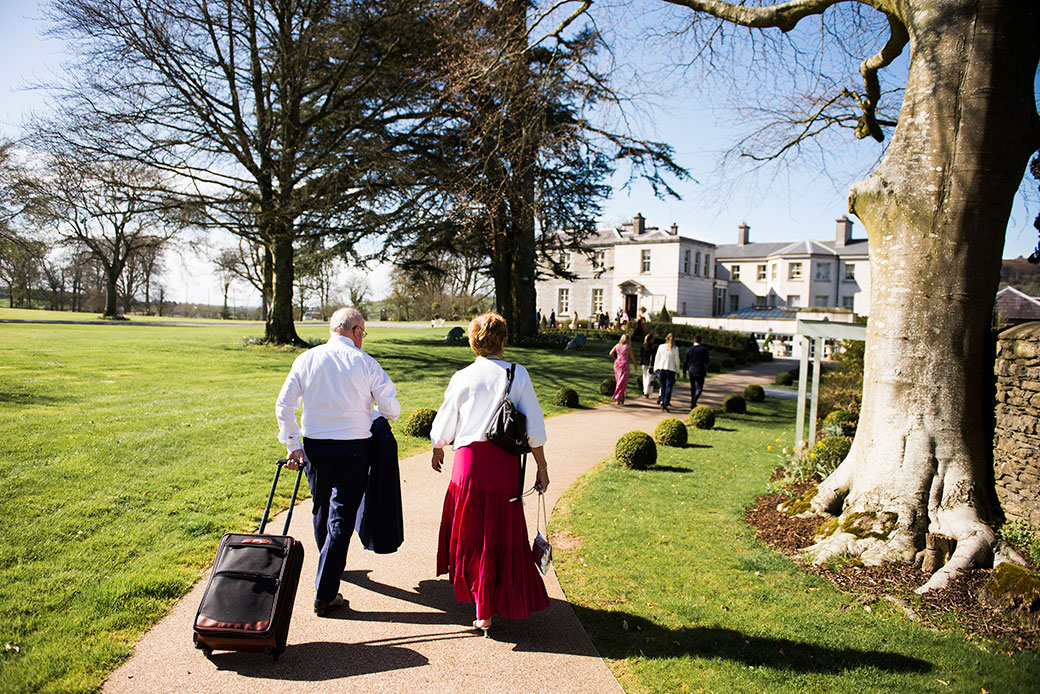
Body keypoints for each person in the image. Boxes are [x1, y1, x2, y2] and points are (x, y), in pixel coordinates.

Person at [275, 307, 401, 617]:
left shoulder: (306, 359)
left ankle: (328, 564)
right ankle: (326, 592)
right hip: (354, 446)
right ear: (357, 331)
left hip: (316, 445)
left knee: (321, 506)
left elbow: (284, 405)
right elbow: (392, 409)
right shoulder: (365, 363)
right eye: (363, 333)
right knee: (342, 516)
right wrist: (370, 411)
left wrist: (293, 443)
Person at [429, 313, 551, 635]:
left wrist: (438, 447)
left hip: (467, 465)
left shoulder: (462, 376)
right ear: (504, 340)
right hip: (502, 464)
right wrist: (542, 466)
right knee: (500, 534)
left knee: (472, 534)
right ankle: (495, 602)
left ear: (473, 340)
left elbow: (443, 425)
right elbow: (534, 428)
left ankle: (482, 608)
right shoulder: (517, 373)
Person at [653, 332, 680, 412]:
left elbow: (657, 358)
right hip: (671, 370)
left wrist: (655, 368)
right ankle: (666, 401)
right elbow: (677, 361)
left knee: (663, 386)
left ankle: (662, 400)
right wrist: (677, 371)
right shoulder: (675, 348)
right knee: (669, 387)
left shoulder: (661, 347)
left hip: (662, 368)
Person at [683, 334, 710, 408]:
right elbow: (707, 361)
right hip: (700, 370)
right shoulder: (704, 349)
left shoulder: (689, 349)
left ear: (693, 341)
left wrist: (684, 372)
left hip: (691, 370)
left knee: (693, 387)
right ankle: (694, 400)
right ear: (700, 341)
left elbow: (685, 362)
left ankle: (693, 401)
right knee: (699, 387)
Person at [609, 334, 634, 405]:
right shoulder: (628, 347)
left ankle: (620, 398)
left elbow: (610, 353)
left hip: (617, 364)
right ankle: (617, 396)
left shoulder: (617, 345)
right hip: (625, 364)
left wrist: (616, 358)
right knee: (623, 381)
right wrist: (635, 364)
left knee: (619, 380)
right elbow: (632, 357)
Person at [640, 332, 656, 398]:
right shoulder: (653, 346)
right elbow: (654, 356)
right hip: (650, 364)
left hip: (644, 363)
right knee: (650, 378)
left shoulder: (643, 346)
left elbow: (641, 355)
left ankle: (645, 391)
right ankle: (647, 391)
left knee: (645, 377)